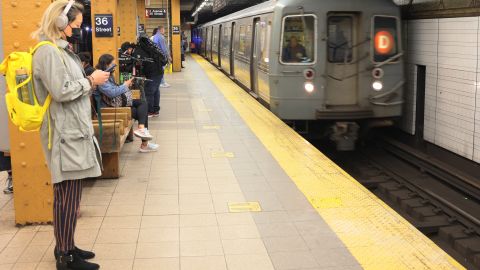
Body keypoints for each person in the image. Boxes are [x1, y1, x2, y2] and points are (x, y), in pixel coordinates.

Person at [31, 1, 110, 269]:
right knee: (67, 198)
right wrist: (91, 81)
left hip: (71, 132)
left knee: (71, 196)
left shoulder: (61, 52)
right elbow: (61, 91)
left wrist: (89, 80)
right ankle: (65, 258)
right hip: (64, 135)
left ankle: (67, 245)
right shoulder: (49, 53)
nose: (78, 29)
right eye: (75, 25)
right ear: (61, 23)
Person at [95, 54, 159, 153]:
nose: (115, 66)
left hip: (116, 104)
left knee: (142, 105)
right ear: (106, 64)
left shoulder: (107, 74)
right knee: (141, 111)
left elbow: (114, 90)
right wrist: (125, 85)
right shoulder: (101, 77)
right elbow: (112, 93)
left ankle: (142, 132)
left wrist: (124, 85)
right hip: (109, 108)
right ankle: (144, 143)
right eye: (113, 64)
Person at [136, 35, 164, 117]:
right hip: (159, 72)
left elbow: (142, 64)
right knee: (155, 91)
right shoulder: (152, 48)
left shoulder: (142, 50)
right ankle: (155, 110)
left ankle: (151, 111)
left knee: (149, 91)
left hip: (153, 73)